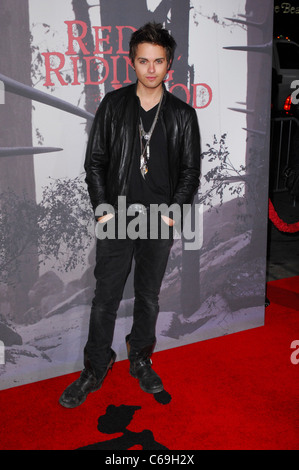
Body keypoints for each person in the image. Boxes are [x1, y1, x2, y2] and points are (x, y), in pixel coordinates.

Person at [59, 22, 201, 408]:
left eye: (158, 61)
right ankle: (95, 366)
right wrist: (104, 212)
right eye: (143, 60)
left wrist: (172, 214)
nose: (151, 69)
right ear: (132, 62)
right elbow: (96, 163)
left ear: (168, 63)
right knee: (105, 298)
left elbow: (190, 172)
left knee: (148, 298)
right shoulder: (113, 104)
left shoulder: (183, 115)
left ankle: (139, 357)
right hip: (117, 217)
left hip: (159, 220)